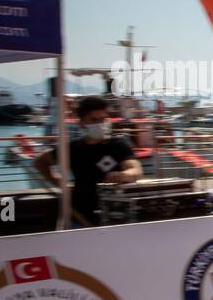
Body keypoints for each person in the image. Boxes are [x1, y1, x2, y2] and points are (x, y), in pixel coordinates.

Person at [34, 95, 141, 226]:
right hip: (78, 216)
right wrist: (59, 183)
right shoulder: (72, 148)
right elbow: (40, 162)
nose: (100, 124)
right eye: (94, 120)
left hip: (112, 216)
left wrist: (123, 175)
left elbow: (136, 170)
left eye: (103, 119)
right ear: (82, 123)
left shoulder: (118, 145)